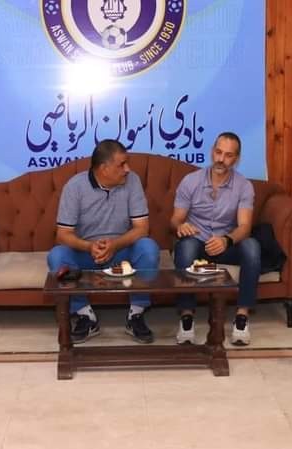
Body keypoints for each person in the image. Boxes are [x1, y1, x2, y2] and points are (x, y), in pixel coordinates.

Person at [47, 139, 160, 344]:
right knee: (57, 256)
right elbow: (62, 235)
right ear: (103, 169)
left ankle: (136, 315)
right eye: (122, 165)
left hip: (121, 252)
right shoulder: (75, 186)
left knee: (148, 247)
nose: (128, 169)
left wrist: (115, 245)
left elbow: (142, 228)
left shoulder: (132, 180)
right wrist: (89, 246)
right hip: (86, 253)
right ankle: (85, 316)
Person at [170, 132, 261, 345]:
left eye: (228, 155)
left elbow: (245, 227)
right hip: (197, 242)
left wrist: (227, 240)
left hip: (226, 243)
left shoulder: (244, 186)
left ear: (236, 159)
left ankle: (242, 317)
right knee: (185, 248)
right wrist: (180, 226)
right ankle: (186, 318)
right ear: (212, 152)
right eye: (218, 152)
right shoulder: (191, 181)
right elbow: (174, 219)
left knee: (252, 246)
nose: (221, 159)